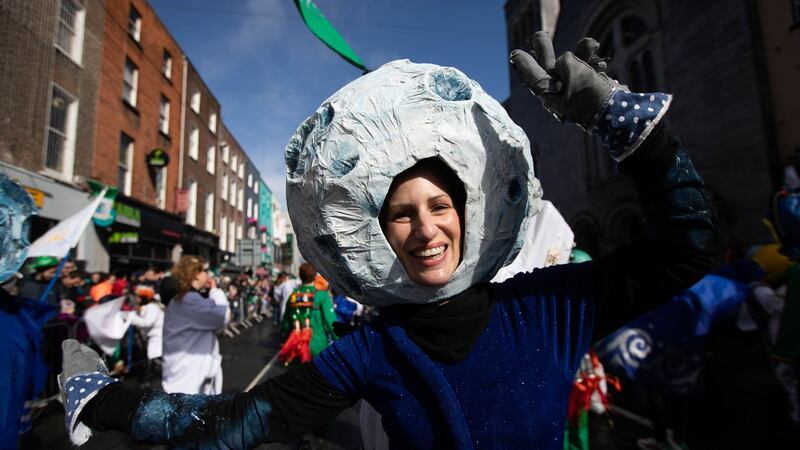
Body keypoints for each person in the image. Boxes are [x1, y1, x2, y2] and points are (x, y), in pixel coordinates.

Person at [59, 32, 717, 449]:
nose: (426, 229)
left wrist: (611, 113)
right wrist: (106, 399)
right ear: (382, 234)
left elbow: (689, 240)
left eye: (438, 205)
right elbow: (237, 425)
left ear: (465, 212)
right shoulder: (373, 348)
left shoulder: (547, 307)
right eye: (401, 215)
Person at [159, 255, 230, 395]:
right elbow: (222, 317)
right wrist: (216, 291)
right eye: (205, 270)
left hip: (191, 379)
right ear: (196, 275)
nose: (207, 274)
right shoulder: (188, 300)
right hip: (188, 384)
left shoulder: (186, 299)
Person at [278, 263, 338, 365]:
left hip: (297, 346)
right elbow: (331, 322)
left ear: (300, 276)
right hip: (318, 344)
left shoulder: (293, 296)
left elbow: (286, 323)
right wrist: (339, 340)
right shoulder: (322, 296)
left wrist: (285, 339)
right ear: (315, 277)